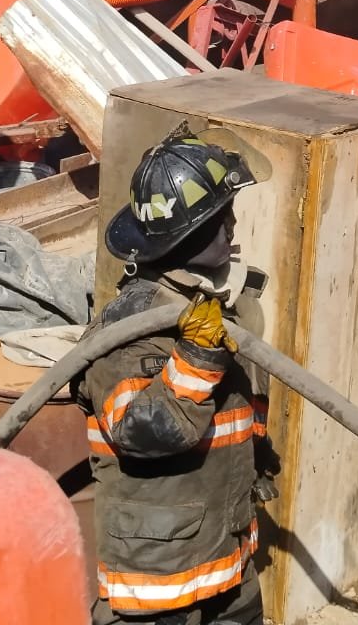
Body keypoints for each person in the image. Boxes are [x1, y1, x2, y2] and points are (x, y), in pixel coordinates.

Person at [79, 127, 276, 625]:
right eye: (217, 217)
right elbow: (142, 432)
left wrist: (258, 459)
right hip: (161, 577)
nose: (232, 223)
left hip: (223, 549)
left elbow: (234, 403)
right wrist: (195, 356)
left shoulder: (207, 302)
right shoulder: (131, 324)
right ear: (183, 235)